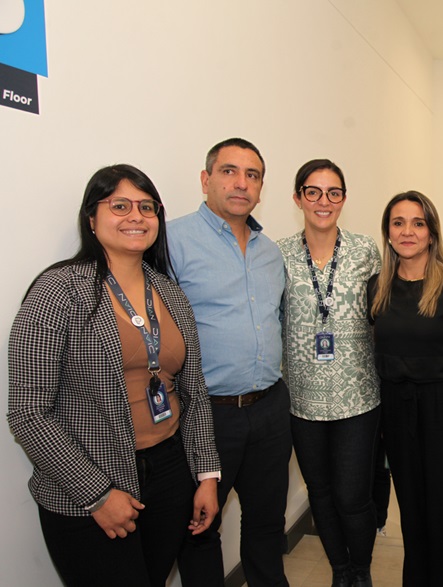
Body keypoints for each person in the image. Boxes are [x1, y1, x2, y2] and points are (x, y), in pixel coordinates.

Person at [7, 165, 221, 586]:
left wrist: (206, 476)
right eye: (119, 206)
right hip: (89, 487)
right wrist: (97, 494)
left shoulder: (168, 291)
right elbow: (28, 413)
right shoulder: (58, 290)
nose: (136, 217)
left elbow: (193, 392)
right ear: (92, 218)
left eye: (146, 207)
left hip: (169, 473)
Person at [169, 138, 291, 587]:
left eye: (252, 175)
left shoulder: (270, 253)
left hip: (270, 408)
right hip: (207, 415)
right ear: (206, 179)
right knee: (200, 529)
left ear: (261, 187)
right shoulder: (172, 242)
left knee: (266, 523)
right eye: (228, 171)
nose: (241, 183)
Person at [368, 191, 443, 585]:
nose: (408, 231)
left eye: (418, 223)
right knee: (413, 516)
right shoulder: (377, 288)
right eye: (398, 223)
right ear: (388, 232)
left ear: (432, 233)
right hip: (398, 415)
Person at [277, 159, 381, 587]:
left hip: (358, 396)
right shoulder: (276, 254)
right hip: (301, 399)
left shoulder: (366, 250)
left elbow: (386, 315)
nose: (324, 201)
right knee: (319, 494)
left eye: (334, 192)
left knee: (353, 496)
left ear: (344, 198)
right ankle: (340, 570)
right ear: (298, 197)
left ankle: (361, 570)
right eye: (314, 192)